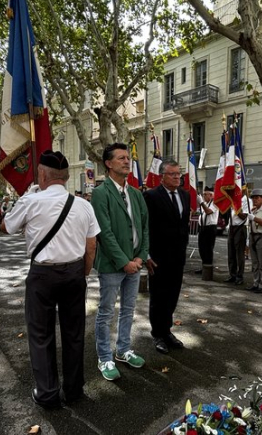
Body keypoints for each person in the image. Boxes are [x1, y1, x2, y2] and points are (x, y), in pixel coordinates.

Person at [2, 150, 99, 409]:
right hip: (74, 272)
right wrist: (84, 272)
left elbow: (7, 226)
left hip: (42, 275)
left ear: (42, 175)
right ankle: (74, 390)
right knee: (74, 334)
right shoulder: (83, 205)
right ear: (66, 177)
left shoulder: (31, 201)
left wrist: (26, 197)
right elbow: (91, 246)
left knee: (41, 334)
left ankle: (47, 394)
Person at [91, 143, 149, 381]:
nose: (127, 161)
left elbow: (145, 228)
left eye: (128, 158)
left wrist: (140, 257)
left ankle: (123, 350)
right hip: (112, 266)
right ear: (108, 163)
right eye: (121, 158)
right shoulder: (100, 193)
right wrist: (124, 261)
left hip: (134, 263)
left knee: (128, 310)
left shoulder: (135, 193)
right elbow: (104, 233)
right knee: (105, 312)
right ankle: (104, 357)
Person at [143, 160, 190, 354]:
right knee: (158, 297)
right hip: (158, 257)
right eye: (173, 174)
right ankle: (158, 334)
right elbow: (144, 226)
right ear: (162, 176)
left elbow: (184, 225)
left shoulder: (185, 196)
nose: (177, 177)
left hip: (178, 256)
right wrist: (145, 254)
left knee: (172, 295)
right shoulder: (151, 196)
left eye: (179, 174)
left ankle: (167, 330)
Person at [225, 194, 252, 286]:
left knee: (239, 254)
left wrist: (234, 207)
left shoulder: (246, 200)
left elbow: (244, 216)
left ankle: (239, 276)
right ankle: (232, 274)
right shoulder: (233, 198)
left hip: (240, 228)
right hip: (232, 227)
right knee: (231, 253)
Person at [194, 186, 218, 275]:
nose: (203, 196)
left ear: (211, 195)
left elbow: (208, 212)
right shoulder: (206, 203)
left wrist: (201, 203)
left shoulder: (215, 203)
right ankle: (204, 266)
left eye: (205, 194)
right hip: (203, 228)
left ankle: (208, 268)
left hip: (210, 228)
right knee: (202, 249)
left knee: (208, 249)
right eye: (203, 194)